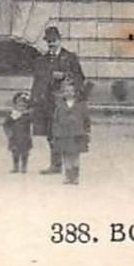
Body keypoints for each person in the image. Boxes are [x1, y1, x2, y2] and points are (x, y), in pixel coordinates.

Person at [29, 26, 87, 174]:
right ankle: (55, 164)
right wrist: (33, 99)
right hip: (47, 103)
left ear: (59, 40)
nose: (51, 44)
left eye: (54, 41)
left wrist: (64, 75)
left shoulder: (70, 58)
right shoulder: (42, 60)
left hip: (64, 103)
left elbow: (80, 78)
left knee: (66, 134)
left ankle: (69, 165)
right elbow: (37, 81)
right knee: (51, 134)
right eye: (48, 41)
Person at [50, 83, 92, 185]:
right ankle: (68, 177)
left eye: (71, 91)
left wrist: (86, 132)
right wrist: (55, 133)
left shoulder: (80, 106)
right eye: (66, 91)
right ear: (62, 93)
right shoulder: (59, 106)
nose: (69, 93)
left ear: (75, 93)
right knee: (66, 156)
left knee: (75, 156)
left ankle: (75, 176)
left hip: (76, 134)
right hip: (63, 134)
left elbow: (86, 120)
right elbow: (56, 120)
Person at [3, 92, 33, 173]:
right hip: (14, 137)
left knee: (25, 153)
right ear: (15, 105)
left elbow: (32, 122)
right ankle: (15, 167)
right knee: (15, 153)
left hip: (25, 137)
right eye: (19, 106)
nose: (21, 108)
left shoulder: (27, 115)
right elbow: (6, 124)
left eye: (24, 106)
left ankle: (24, 167)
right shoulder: (12, 115)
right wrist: (9, 133)